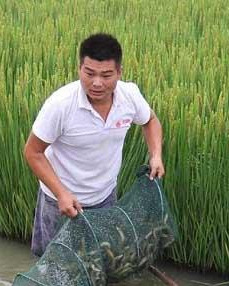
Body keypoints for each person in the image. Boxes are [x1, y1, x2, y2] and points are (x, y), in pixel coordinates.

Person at [24, 33, 164, 257]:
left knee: (99, 261)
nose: (97, 83)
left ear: (119, 72)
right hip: (59, 201)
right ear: (80, 68)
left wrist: (155, 154)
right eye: (89, 73)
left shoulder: (129, 96)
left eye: (106, 75)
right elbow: (33, 152)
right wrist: (61, 194)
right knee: (53, 263)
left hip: (105, 198)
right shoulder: (60, 105)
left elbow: (151, 121)